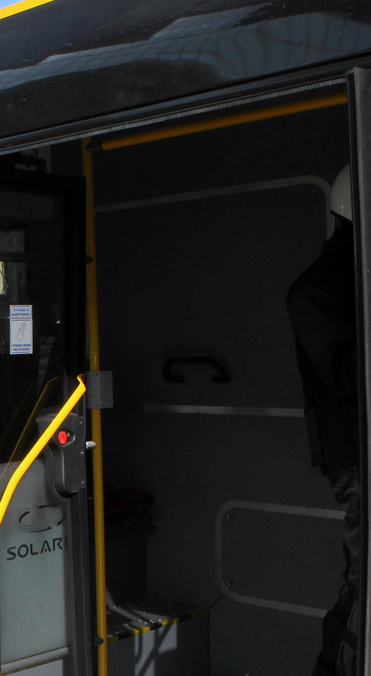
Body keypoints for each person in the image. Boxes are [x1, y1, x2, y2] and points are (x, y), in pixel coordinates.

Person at [287, 164, 361, 676]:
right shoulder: (320, 290)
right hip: (360, 456)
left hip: (359, 452)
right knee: (366, 585)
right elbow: (349, 376)